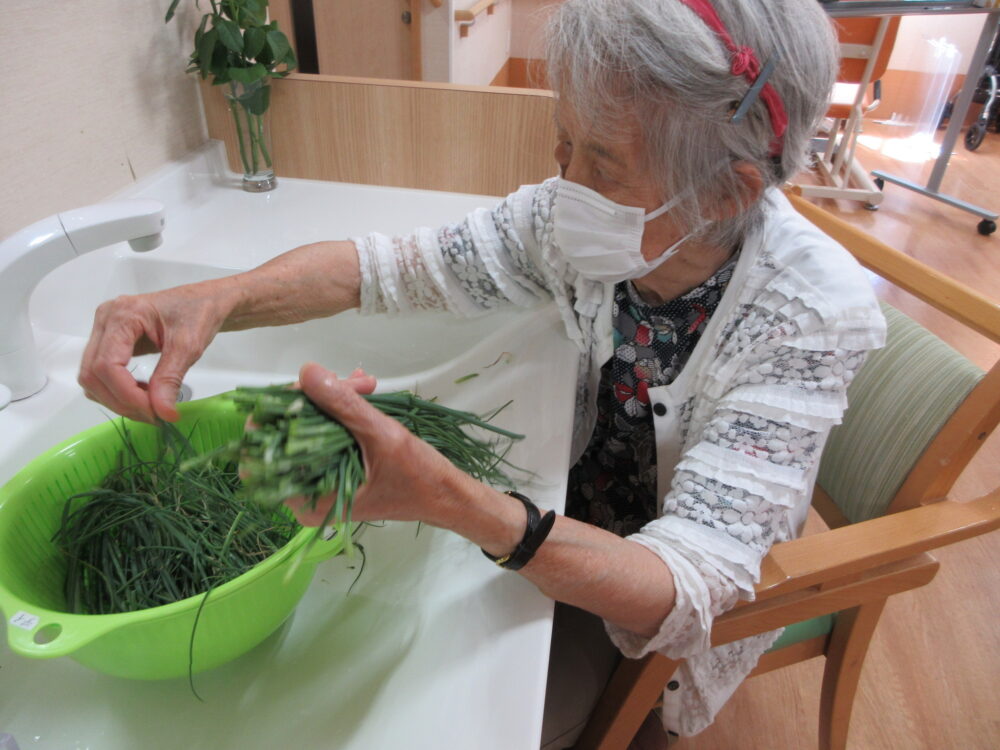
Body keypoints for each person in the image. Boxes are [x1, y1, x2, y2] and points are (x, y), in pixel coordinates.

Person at [78, 0, 885, 746]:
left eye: (601, 162)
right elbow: (387, 269)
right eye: (563, 136)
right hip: (558, 509)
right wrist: (215, 299)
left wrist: (456, 504)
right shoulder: (576, 225)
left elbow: (684, 583)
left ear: (725, 190)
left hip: (635, 587)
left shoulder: (808, 314)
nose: (561, 180)